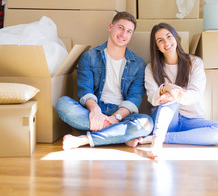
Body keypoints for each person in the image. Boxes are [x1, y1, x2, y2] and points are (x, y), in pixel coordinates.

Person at [55, 11, 153, 150]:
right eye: (120, 28)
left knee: (147, 122)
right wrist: (96, 112)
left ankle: (85, 139)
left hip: (121, 114)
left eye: (129, 31)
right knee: (63, 104)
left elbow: (134, 98)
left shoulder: (138, 64)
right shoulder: (89, 56)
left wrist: (115, 118)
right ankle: (119, 135)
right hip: (92, 111)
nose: (123, 34)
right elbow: (85, 91)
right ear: (110, 27)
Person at [131, 22, 218, 159]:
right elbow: (153, 98)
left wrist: (174, 92)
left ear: (175, 38)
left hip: (191, 120)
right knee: (170, 97)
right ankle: (157, 141)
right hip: (166, 121)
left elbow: (195, 94)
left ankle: (159, 138)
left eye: (169, 36)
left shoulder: (195, 63)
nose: (166, 42)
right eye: (160, 40)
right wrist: (166, 89)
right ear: (157, 47)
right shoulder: (151, 68)